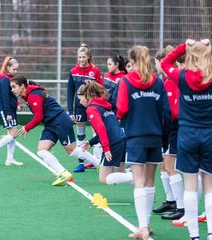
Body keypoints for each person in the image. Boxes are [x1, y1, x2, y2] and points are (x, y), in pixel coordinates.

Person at [116, 45, 171, 240]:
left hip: (136, 137)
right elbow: (167, 112)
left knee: (139, 181)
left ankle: (143, 228)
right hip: (155, 136)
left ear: (131, 62)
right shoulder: (157, 82)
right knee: (149, 181)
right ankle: (146, 224)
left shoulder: (125, 82)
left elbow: (121, 109)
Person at [161, 39, 212, 240]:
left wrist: (184, 45)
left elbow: (165, 63)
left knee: (190, 186)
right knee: (209, 188)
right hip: (209, 135)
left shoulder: (182, 77)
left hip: (188, 135)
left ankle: (194, 236)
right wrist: (208, 47)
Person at [10, 75, 100, 186]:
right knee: (41, 150)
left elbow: (38, 117)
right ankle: (63, 173)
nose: (12, 90)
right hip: (50, 124)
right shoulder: (29, 95)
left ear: (22, 86)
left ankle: (98, 163)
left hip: (60, 122)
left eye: (14, 87)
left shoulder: (33, 95)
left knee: (71, 151)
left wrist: (26, 127)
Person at [77, 81, 133, 185]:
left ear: (88, 95)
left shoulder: (91, 108)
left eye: (80, 99)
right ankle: (143, 187)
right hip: (121, 139)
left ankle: (138, 177)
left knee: (104, 178)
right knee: (121, 172)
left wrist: (106, 149)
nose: (80, 102)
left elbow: (101, 128)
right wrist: (92, 142)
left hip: (113, 143)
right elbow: (109, 128)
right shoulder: (103, 105)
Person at [152, 46, 185, 221]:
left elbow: (174, 110)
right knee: (163, 164)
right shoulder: (166, 81)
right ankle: (172, 200)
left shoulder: (174, 81)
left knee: (171, 166)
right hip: (168, 129)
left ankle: (181, 207)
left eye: (157, 62)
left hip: (175, 128)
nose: (156, 66)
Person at [67, 43, 103, 172]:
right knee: (80, 135)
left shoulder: (95, 71)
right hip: (79, 107)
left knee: (97, 133)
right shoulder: (73, 71)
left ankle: (98, 161)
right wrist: (70, 111)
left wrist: (100, 105)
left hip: (93, 107)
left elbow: (100, 90)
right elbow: (70, 91)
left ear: (88, 57)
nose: (81, 60)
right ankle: (81, 162)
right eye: (79, 57)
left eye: (83, 57)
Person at [0, 56, 23, 166]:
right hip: (5, 110)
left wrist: (17, 104)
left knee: (14, 134)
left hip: (11, 109)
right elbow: (5, 98)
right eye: (14, 69)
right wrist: (8, 113)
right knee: (13, 133)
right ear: (8, 67)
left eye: (17, 69)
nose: (15, 72)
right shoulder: (4, 80)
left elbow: (12, 94)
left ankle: (10, 159)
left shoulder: (10, 79)